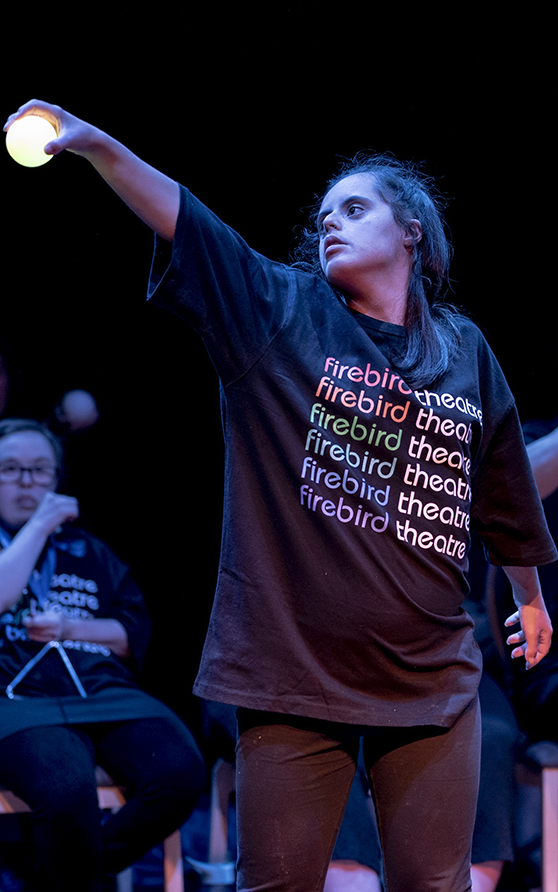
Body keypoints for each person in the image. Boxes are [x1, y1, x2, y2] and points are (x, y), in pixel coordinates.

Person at [4, 101, 557, 892]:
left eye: (355, 209)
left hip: (429, 672)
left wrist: (530, 596)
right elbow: (186, 220)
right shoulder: (279, 313)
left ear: (412, 232)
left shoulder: (463, 349)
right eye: (324, 214)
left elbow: (501, 482)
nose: (330, 222)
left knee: (436, 885)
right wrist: (92, 143)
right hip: (293, 671)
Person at [0, 417, 206, 892]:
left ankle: (56, 878)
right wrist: (40, 525)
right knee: (65, 787)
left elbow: (130, 633)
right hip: (17, 700)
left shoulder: (89, 551)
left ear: (56, 478)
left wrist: (71, 628)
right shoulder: (31, 536)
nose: (27, 482)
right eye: (10, 469)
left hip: (102, 691)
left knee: (178, 772)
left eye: (39, 470)